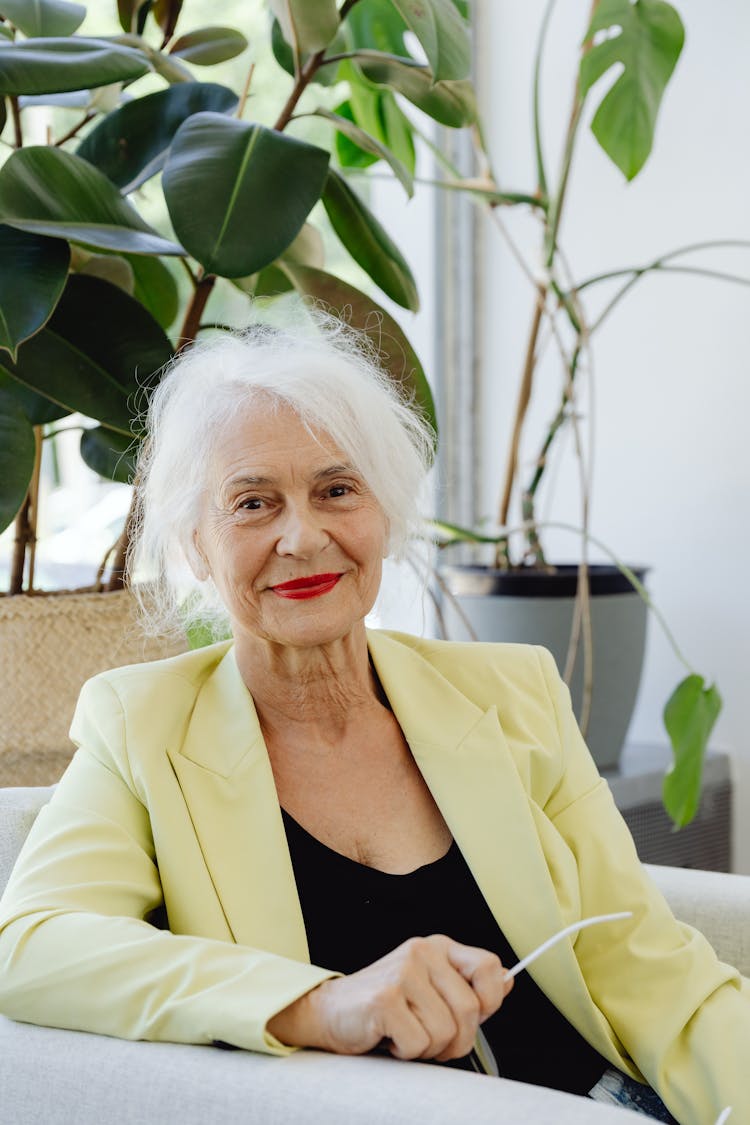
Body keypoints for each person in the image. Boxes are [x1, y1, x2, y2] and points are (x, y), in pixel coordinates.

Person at [0, 315, 747, 1125]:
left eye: (336, 490)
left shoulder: (514, 691)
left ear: (383, 514)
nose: (303, 536)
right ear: (196, 548)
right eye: (253, 503)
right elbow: (33, 946)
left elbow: (643, 961)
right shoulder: (143, 725)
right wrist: (321, 1004)